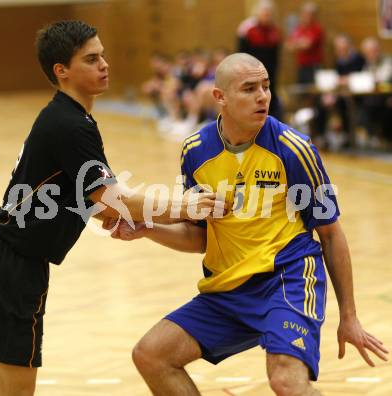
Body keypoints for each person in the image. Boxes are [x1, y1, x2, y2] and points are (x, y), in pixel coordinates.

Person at [0, 20, 220, 396]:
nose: (105, 64)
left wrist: (149, 217)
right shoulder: (70, 125)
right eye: (92, 59)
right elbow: (114, 200)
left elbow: (97, 203)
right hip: (9, 273)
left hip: (0, 266)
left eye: (103, 56)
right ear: (61, 71)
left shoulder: (67, 119)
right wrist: (186, 204)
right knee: (12, 390)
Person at [108, 53, 389, 395]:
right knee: (151, 355)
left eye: (266, 87)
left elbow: (331, 234)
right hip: (229, 288)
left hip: (287, 279)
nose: (263, 96)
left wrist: (349, 316)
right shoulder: (195, 151)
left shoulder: (294, 148)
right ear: (220, 98)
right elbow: (202, 237)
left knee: (286, 381)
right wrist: (149, 229)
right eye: (249, 88)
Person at [237, 0, 283, 118]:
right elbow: (241, 54)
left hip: (269, 73)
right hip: (250, 72)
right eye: (264, 13)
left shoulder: (275, 31)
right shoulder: (248, 29)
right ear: (258, 13)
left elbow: (276, 56)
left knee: (269, 99)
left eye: (269, 14)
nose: (266, 16)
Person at [286, 2, 324, 84]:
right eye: (305, 14)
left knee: (313, 92)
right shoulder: (299, 28)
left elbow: (307, 45)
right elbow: (289, 46)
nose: (307, 16)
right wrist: (301, 42)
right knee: (302, 92)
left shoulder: (317, 28)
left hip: (313, 67)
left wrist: (297, 43)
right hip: (301, 66)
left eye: (310, 14)